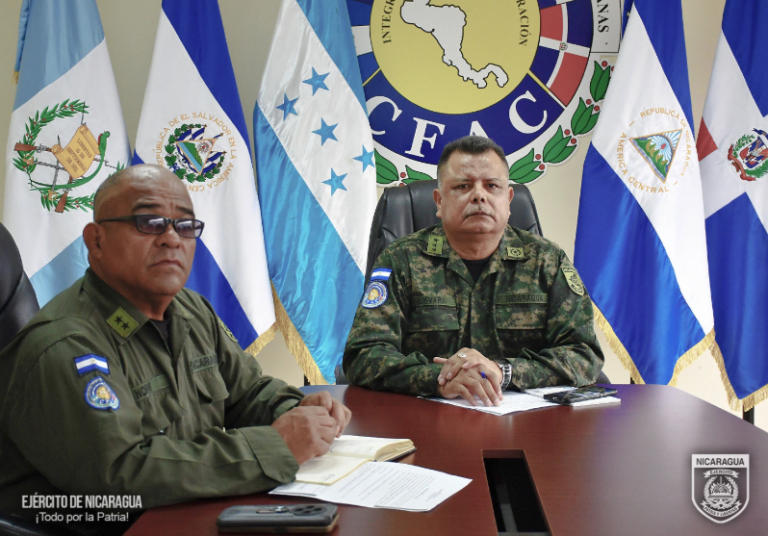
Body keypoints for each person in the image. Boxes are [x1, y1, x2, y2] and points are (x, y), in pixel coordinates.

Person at [0, 165, 350, 526]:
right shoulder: (66, 345)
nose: (171, 238)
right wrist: (276, 446)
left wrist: (298, 410)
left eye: (184, 225)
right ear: (96, 241)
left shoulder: (191, 310)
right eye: (149, 223)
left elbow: (246, 394)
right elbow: (119, 474)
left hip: (185, 513)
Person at [343, 136, 603, 407]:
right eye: (463, 186)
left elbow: (584, 355)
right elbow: (363, 355)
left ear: (508, 200)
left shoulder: (548, 262)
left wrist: (504, 371)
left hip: (524, 420)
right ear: (439, 201)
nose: (479, 195)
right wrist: (437, 379)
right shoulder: (401, 260)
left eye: (492, 186)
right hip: (426, 417)